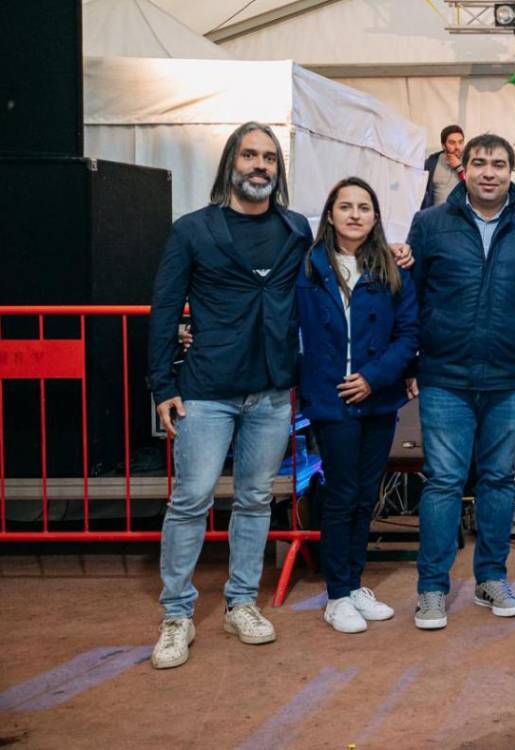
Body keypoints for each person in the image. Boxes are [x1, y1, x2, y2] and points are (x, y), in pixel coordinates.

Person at [147, 122, 314, 669]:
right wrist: (162, 385)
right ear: (231, 163)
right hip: (205, 392)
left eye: (268, 157)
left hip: (270, 392)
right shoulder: (192, 230)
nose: (259, 165)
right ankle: (177, 614)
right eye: (249, 155)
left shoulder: (296, 230)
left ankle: (241, 603)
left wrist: (399, 252)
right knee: (190, 501)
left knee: (254, 500)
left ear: (277, 169)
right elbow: (165, 310)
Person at [406, 133, 515, 630]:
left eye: (499, 164)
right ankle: (431, 589)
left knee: (498, 480)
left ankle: (490, 578)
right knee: (444, 483)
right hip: (444, 377)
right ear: (464, 170)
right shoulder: (429, 225)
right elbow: (409, 300)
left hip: (512, 378)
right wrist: (412, 364)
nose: (489, 172)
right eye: (480, 163)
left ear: (511, 171)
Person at [295, 177, 418, 634]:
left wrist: (374, 377)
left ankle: (353, 583)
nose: (354, 214)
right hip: (332, 403)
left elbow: (409, 334)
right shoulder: (309, 267)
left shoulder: (393, 267)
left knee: (367, 495)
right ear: (330, 214)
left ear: (375, 217)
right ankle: (337, 594)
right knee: (342, 495)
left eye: (364, 207)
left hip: (378, 400)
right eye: (345, 206)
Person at [422, 124, 465, 209]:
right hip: (436, 218)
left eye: (460, 142)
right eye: (452, 143)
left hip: (461, 218)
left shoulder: (470, 162)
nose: (457, 147)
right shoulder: (431, 163)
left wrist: (459, 167)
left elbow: (474, 187)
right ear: (443, 145)